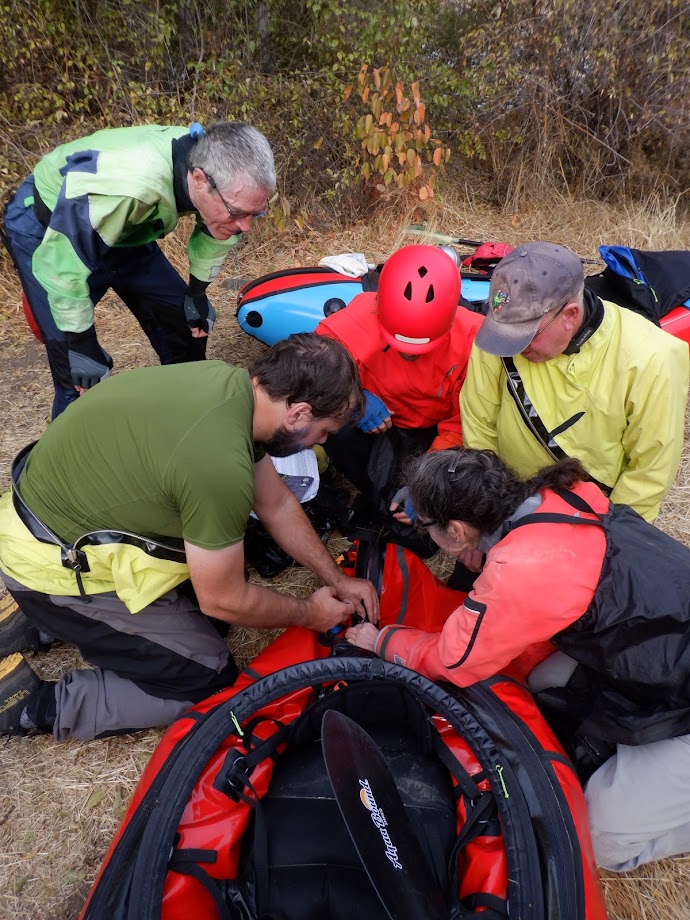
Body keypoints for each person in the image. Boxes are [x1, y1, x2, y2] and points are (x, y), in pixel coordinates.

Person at [0, 334, 378, 742]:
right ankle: (33, 701)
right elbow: (225, 598)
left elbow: (276, 505)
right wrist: (310, 614)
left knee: (209, 622)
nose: (322, 442)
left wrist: (337, 579)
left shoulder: (230, 388)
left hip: (38, 518)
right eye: (323, 432)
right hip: (49, 564)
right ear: (299, 413)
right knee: (206, 679)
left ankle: (40, 620)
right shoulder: (218, 463)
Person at [346, 447, 690, 872]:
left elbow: (452, 660)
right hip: (670, 652)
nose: (426, 534)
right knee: (546, 680)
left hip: (682, 694)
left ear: (455, 530)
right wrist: (483, 551)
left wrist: (382, 640)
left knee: (599, 837)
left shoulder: (519, 571)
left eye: (427, 528)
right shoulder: (561, 493)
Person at [2, 121, 276, 418]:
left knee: (183, 322)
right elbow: (62, 265)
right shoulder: (129, 186)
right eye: (238, 213)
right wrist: (82, 342)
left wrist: (196, 292)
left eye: (256, 213)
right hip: (50, 225)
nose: (246, 227)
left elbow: (218, 229)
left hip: (126, 226)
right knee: (77, 368)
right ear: (198, 180)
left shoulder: (209, 163)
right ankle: (66, 454)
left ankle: (188, 419)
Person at [460, 241, 689, 523]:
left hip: (591, 516)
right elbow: (478, 423)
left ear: (570, 315)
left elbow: (649, 472)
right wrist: (486, 514)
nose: (513, 345)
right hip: (508, 500)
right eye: (506, 331)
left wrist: (608, 536)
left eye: (526, 334)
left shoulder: (652, 359)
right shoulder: (501, 338)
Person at [315, 245, 482, 547]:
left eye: (421, 348)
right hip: (376, 421)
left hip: (434, 432)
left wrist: (428, 483)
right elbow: (316, 372)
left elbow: (464, 423)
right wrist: (354, 397)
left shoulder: (473, 341)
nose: (408, 355)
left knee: (417, 525)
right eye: (400, 345)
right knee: (334, 427)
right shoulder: (349, 324)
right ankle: (368, 488)